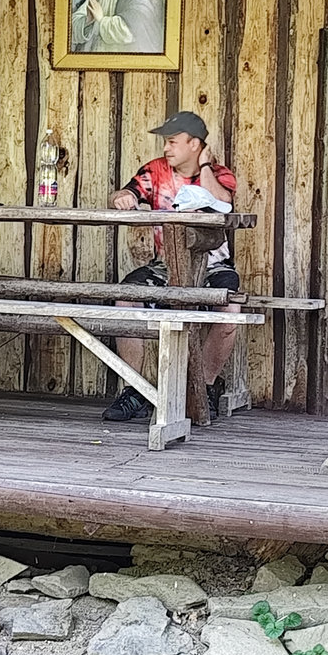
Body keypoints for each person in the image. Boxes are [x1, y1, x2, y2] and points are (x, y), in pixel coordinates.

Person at [101, 111, 239, 423]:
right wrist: (122, 197)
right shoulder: (155, 171)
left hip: (214, 266)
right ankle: (135, 390)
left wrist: (205, 166)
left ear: (195, 144)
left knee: (230, 310)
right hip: (164, 267)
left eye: (173, 141)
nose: (166, 148)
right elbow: (124, 193)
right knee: (125, 299)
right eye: (166, 142)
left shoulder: (219, 174)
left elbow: (225, 203)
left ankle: (203, 389)